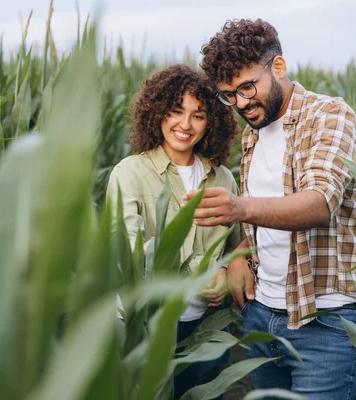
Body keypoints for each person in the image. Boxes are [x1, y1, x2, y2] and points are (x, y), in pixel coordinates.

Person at [184, 18, 356, 399]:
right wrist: (240, 255)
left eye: (247, 87)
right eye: (229, 95)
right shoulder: (254, 134)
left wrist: (239, 210)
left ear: (278, 67)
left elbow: (319, 202)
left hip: (324, 322)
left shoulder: (330, 117)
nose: (240, 103)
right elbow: (268, 219)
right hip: (262, 316)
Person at [106, 64, 242, 399]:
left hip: (208, 326)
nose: (185, 125)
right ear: (157, 113)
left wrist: (226, 270)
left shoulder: (223, 178)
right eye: (176, 111)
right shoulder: (130, 174)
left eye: (198, 115)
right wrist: (199, 270)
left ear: (211, 121)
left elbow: (237, 250)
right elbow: (127, 254)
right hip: (145, 325)